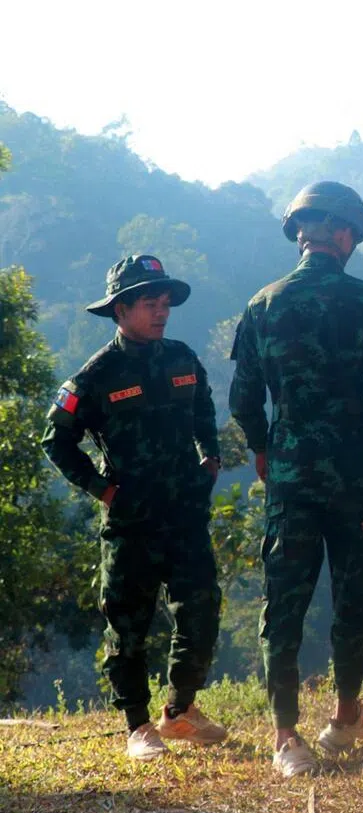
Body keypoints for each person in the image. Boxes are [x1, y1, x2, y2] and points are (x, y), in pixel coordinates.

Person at [229, 181, 363, 777]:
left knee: (285, 602)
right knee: (353, 598)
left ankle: (285, 738)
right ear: (345, 234)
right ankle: (345, 716)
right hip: (355, 473)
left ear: (301, 235)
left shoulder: (262, 305)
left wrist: (264, 449)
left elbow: (244, 400)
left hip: (291, 474)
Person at [42, 254, 225, 761]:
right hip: (132, 522)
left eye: (165, 302)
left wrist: (209, 455)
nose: (161, 311)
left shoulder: (184, 358)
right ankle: (138, 727)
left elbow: (204, 407)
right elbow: (55, 440)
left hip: (185, 514)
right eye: (149, 303)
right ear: (120, 310)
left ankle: (180, 710)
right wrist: (103, 490)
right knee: (128, 625)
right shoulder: (96, 376)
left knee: (202, 609)